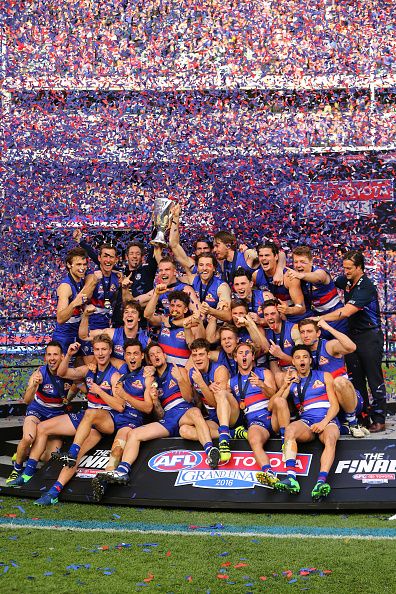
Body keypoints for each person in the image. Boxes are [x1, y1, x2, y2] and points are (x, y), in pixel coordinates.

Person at [99, 343, 222, 485]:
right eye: (152, 355)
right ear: (149, 361)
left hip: (184, 410)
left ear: (164, 355)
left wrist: (181, 380)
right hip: (169, 418)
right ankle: (122, 470)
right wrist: (156, 401)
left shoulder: (177, 370)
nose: (156, 355)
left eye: (158, 352)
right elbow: (159, 415)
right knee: (134, 434)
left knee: (194, 412)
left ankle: (210, 450)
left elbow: (190, 398)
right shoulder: (150, 378)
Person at [321, 250, 387, 432]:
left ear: (360, 268)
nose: (345, 271)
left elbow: (347, 311)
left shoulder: (367, 287)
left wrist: (322, 319)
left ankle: (380, 419)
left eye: (349, 268)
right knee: (356, 378)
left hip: (369, 336)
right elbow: (328, 281)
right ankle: (363, 416)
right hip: (352, 335)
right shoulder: (348, 281)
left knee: (373, 377)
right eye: (344, 268)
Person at [91, 339, 155, 501]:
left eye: (136, 354)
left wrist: (126, 396)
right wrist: (92, 364)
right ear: (124, 356)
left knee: (117, 448)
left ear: (142, 356)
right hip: (113, 415)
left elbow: (148, 408)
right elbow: (103, 355)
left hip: (131, 419)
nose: (132, 357)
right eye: (128, 354)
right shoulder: (122, 368)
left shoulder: (147, 378)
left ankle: (104, 482)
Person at [273, 345, 340, 501]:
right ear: (293, 363)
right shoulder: (293, 382)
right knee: (289, 431)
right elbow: (274, 404)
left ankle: (320, 483)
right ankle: (291, 478)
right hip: (307, 421)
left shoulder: (325, 376)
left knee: (330, 438)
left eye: (305, 357)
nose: (301, 360)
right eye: (297, 357)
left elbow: (335, 406)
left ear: (310, 360)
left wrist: (324, 422)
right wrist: (286, 384)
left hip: (327, 418)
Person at [53, 334, 123, 468]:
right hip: (88, 417)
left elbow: (120, 407)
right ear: (93, 351)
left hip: (107, 419)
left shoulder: (115, 375)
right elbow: (61, 373)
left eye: (104, 349)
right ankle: (39, 471)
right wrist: (68, 355)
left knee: (90, 413)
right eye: (97, 349)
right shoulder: (88, 369)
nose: (100, 353)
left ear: (110, 351)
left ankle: (72, 452)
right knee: (43, 427)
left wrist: (100, 392)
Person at [6, 341, 69, 485]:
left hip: (56, 417)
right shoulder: (39, 373)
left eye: (55, 354)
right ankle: (16, 469)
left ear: (62, 356)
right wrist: (34, 385)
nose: (52, 358)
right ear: (45, 357)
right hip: (37, 412)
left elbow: (83, 387)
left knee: (48, 457)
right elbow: (27, 400)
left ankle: (25, 453)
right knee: (28, 438)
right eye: (49, 355)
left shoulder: (69, 374)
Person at [229, 342, 288, 488]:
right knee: (254, 439)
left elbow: (274, 396)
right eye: (240, 353)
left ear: (253, 356)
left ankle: (286, 442)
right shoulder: (231, 381)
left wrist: (262, 385)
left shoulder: (264, 372)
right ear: (235, 358)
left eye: (247, 352)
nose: (244, 355)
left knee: (280, 401)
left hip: (271, 414)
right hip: (255, 421)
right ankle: (269, 473)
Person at [298, 318, 369, 438]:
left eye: (309, 331)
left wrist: (328, 328)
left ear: (318, 333)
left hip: (347, 400)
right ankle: (344, 427)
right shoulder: (302, 353)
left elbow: (352, 347)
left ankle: (352, 422)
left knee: (339, 382)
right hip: (327, 405)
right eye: (302, 332)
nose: (305, 335)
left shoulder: (329, 346)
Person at [181, 338, 240, 462]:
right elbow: (191, 399)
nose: (197, 359)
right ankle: (233, 434)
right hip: (214, 419)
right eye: (194, 355)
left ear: (208, 355)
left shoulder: (220, 370)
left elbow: (217, 403)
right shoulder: (193, 373)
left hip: (232, 415)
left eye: (201, 354)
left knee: (219, 393)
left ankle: (224, 437)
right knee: (184, 430)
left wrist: (202, 384)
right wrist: (182, 382)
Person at [287, 245, 348, 337]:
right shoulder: (297, 278)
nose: (298, 265)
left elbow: (319, 277)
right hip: (319, 318)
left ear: (311, 262)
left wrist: (302, 276)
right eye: (296, 262)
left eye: (302, 262)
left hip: (337, 319)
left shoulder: (320, 272)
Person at [79, 299, 149, 367]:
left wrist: (151, 369)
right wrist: (85, 315)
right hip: (114, 376)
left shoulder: (146, 341)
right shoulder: (111, 333)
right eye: (126, 312)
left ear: (139, 318)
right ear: (123, 317)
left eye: (133, 312)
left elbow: (153, 363)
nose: (129, 315)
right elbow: (84, 336)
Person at [52, 247, 97, 353]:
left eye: (84, 264)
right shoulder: (65, 287)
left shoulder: (81, 281)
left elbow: (93, 277)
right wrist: (74, 304)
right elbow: (60, 318)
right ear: (69, 265)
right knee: (62, 369)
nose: (82, 268)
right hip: (64, 337)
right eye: (78, 264)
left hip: (78, 333)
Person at [145, 289, 204, 367]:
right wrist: (156, 294)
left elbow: (196, 353)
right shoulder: (163, 320)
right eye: (172, 305)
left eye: (179, 306)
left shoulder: (193, 326)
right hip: (162, 370)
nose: (175, 309)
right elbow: (147, 315)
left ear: (185, 309)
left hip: (181, 371)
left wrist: (185, 373)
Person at [253, 242, 307, 322]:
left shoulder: (290, 277)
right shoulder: (256, 276)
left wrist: (288, 310)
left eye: (267, 255)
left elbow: (302, 308)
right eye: (261, 256)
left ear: (276, 257)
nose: (264, 258)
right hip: (274, 319)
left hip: (297, 319)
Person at [183, 253, 232, 323]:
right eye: (201, 265)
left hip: (215, 326)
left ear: (214, 268)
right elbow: (180, 256)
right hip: (196, 322)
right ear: (197, 268)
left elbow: (228, 316)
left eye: (208, 265)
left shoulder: (222, 287)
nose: (204, 268)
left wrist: (211, 311)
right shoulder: (192, 280)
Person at [262, 299, 298, 388]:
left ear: (280, 314)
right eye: (266, 315)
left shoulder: (294, 329)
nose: (269, 318)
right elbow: (273, 361)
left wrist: (281, 355)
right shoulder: (268, 333)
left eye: (273, 314)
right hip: (281, 373)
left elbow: (303, 362)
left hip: (298, 369)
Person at [169, 202, 213, 274]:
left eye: (205, 248)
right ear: (195, 252)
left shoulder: (221, 264)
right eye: (199, 249)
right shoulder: (192, 265)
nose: (202, 251)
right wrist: (176, 217)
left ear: (211, 249)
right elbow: (174, 244)